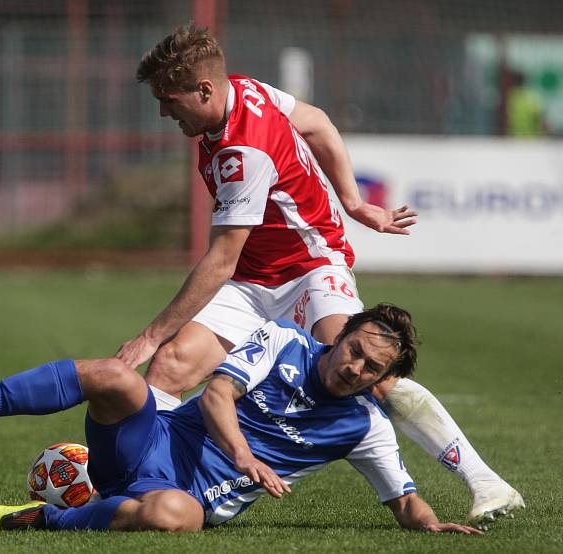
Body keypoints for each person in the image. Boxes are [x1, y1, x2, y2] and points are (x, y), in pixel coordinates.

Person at [115, 24, 523, 527]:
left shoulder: (244, 151)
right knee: (174, 366)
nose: (163, 111)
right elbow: (318, 121)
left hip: (312, 264)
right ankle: (142, 485)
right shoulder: (243, 88)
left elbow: (219, 259)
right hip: (253, 279)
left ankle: (485, 482)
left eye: (168, 99)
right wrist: (353, 201)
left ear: (203, 90)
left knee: (364, 373)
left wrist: (149, 336)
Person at [0, 304, 482, 535]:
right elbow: (217, 394)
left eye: (371, 367)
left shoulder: (364, 426)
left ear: (383, 379)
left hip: (189, 495)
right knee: (117, 377)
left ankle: (43, 519)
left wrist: (430, 524)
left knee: (174, 516)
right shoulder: (284, 342)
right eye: (354, 349)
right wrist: (246, 456)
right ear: (340, 337)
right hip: (151, 441)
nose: (354, 367)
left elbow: (403, 500)